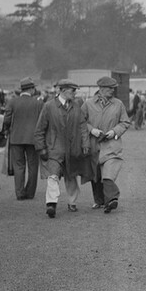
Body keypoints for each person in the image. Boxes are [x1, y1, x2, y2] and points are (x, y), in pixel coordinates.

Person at [34, 79, 90, 218]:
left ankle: (72, 202)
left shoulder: (77, 106)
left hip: (72, 148)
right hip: (54, 148)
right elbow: (40, 129)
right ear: (63, 90)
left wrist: (85, 144)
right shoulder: (49, 106)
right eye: (72, 90)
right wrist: (41, 148)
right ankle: (51, 204)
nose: (75, 93)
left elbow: (83, 126)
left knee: (71, 175)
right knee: (53, 175)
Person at [83, 76, 131, 214]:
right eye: (110, 88)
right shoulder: (88, 104)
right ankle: (99, 201)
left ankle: (112, 199)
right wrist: (92, 130)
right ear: (101, 89)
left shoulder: (118, 104)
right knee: (96, 174)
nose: (112, 91)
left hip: (112, 144)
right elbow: (81, 121)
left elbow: (125, 122)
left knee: (108, 173)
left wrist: (114, 131)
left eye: (113, 88)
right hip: (93, 144)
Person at [1, 76, 44, 200]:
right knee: (33, 166)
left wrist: (6, 130)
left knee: (19, 166)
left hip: (16, 138)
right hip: (33, 139)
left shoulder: (12, 102)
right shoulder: (38, 103)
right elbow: (42, 121)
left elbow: (7, 119)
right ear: (31, 89)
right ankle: (30, 193)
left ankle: (19, 193)